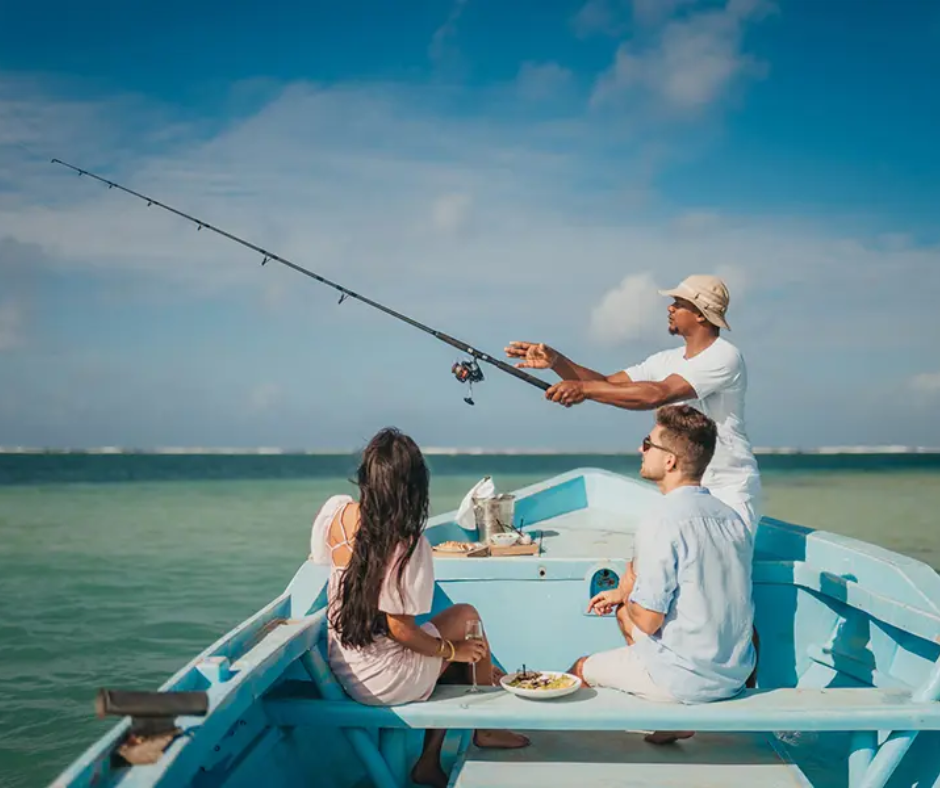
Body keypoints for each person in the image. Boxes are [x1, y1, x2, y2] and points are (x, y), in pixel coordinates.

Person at [309, 427, 529, 788]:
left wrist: (451, 651)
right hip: (387, 681)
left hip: (346, 667)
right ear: (413, 486)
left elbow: (321, 559)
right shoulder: (406, 544)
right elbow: (401, 630)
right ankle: (486, 729)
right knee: (466, 618)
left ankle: (430, 762)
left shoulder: (335, 514)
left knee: (458, 648)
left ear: (366, 477)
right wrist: (452, 650)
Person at [505, 274, 762, 533]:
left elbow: (656, 394)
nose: (670, 308)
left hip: (727, 489)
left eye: (679, 303)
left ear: (700, 315)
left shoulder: (723, 355)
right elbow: (608, 383)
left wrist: (583, 390)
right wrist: (557, 362)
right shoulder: (664, 360)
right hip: (682, 490)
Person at [570, 405, 756, 744]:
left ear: (669, 461)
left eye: (647, 443)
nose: (640, 450)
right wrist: (623, 597)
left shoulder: (662, 519)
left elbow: (649, 620)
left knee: (581, 669)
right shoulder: (732, 519)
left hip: (684, 680)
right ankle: (672, 723)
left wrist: (628, 582)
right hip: (734, 674)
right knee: (625, 614)